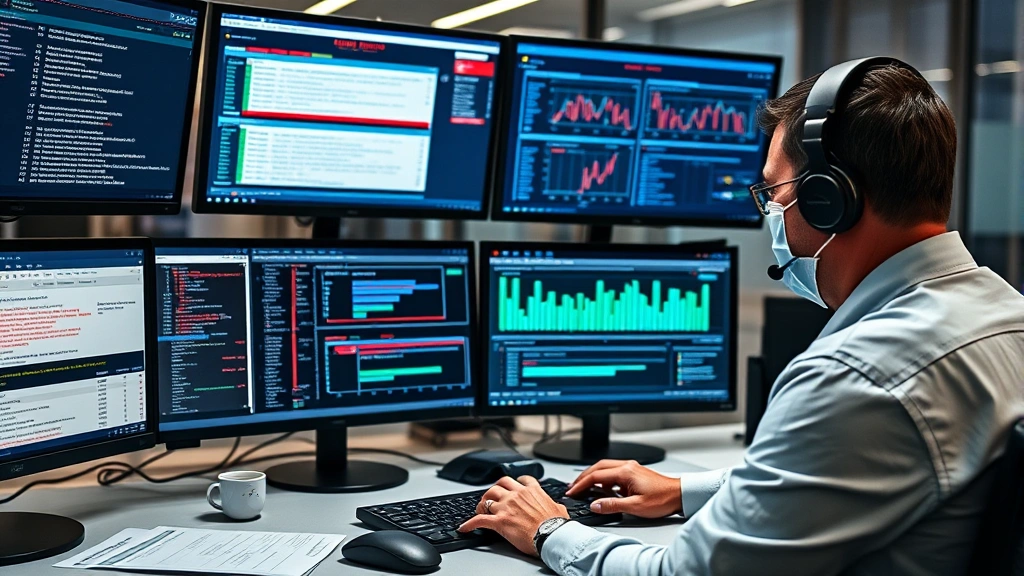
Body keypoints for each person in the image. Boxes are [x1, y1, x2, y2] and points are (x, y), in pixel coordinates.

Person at [457, 58, 1024, 576]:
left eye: (774, 191)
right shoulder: (1005, 314)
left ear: (830, 197)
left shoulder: (853, 377)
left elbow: (686, 574)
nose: (771, 213)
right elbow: (852, 473)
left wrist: (550, 530)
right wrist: (684, 489)